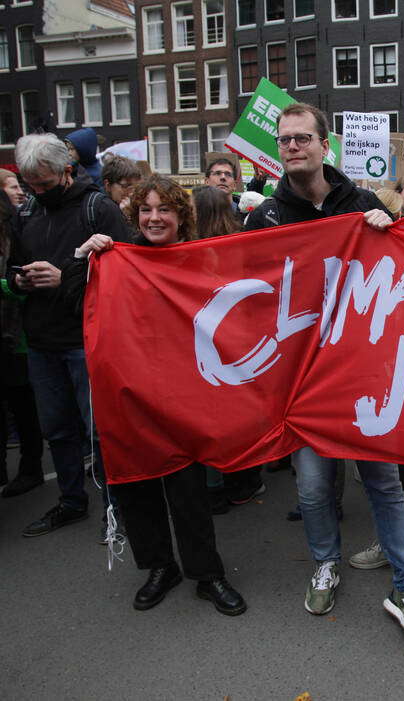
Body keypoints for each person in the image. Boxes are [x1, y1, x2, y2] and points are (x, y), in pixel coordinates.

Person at [243, 102, 404, 638]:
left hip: (363, 374)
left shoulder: (365, 203)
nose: (292, 147)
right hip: (302, 381)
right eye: (285, 140)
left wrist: (389, 228)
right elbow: (225, 276)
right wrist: (117, 251)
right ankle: (325, 563)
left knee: (384, 484)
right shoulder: (266, 217)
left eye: (303, 138)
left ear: (326, 145)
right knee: (311, 489)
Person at [70, 175, 246, 616]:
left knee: (187, 490)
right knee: (136, 483)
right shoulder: (114, 258)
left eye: (164, 209)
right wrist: (83, 262)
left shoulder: (201, 259)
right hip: (128, 394)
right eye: (145, 210)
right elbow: (79, 307)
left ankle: (207, 574)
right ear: (135, 215)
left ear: (180, 216)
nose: (154, 218)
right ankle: (159, 566)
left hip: (183, 394)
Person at [5, 133, 132, 538]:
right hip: (42, 342)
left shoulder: (98, 208)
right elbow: (12, 269)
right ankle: (72, 501)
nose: (38, 192)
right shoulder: (27, 213)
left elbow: (127, 274)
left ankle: (118, 510)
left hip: (86, 342)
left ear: (67, 171)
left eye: (44, 184)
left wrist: (65, 278)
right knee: (57, 430)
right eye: (31, 186)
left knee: (101, 432)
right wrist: (20, 281)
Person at [0, 189, 44, 498]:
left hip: (15, 337)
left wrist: (10, 283)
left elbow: (21, 280)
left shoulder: (14, 233)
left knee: (22, 403)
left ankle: (31, 468)